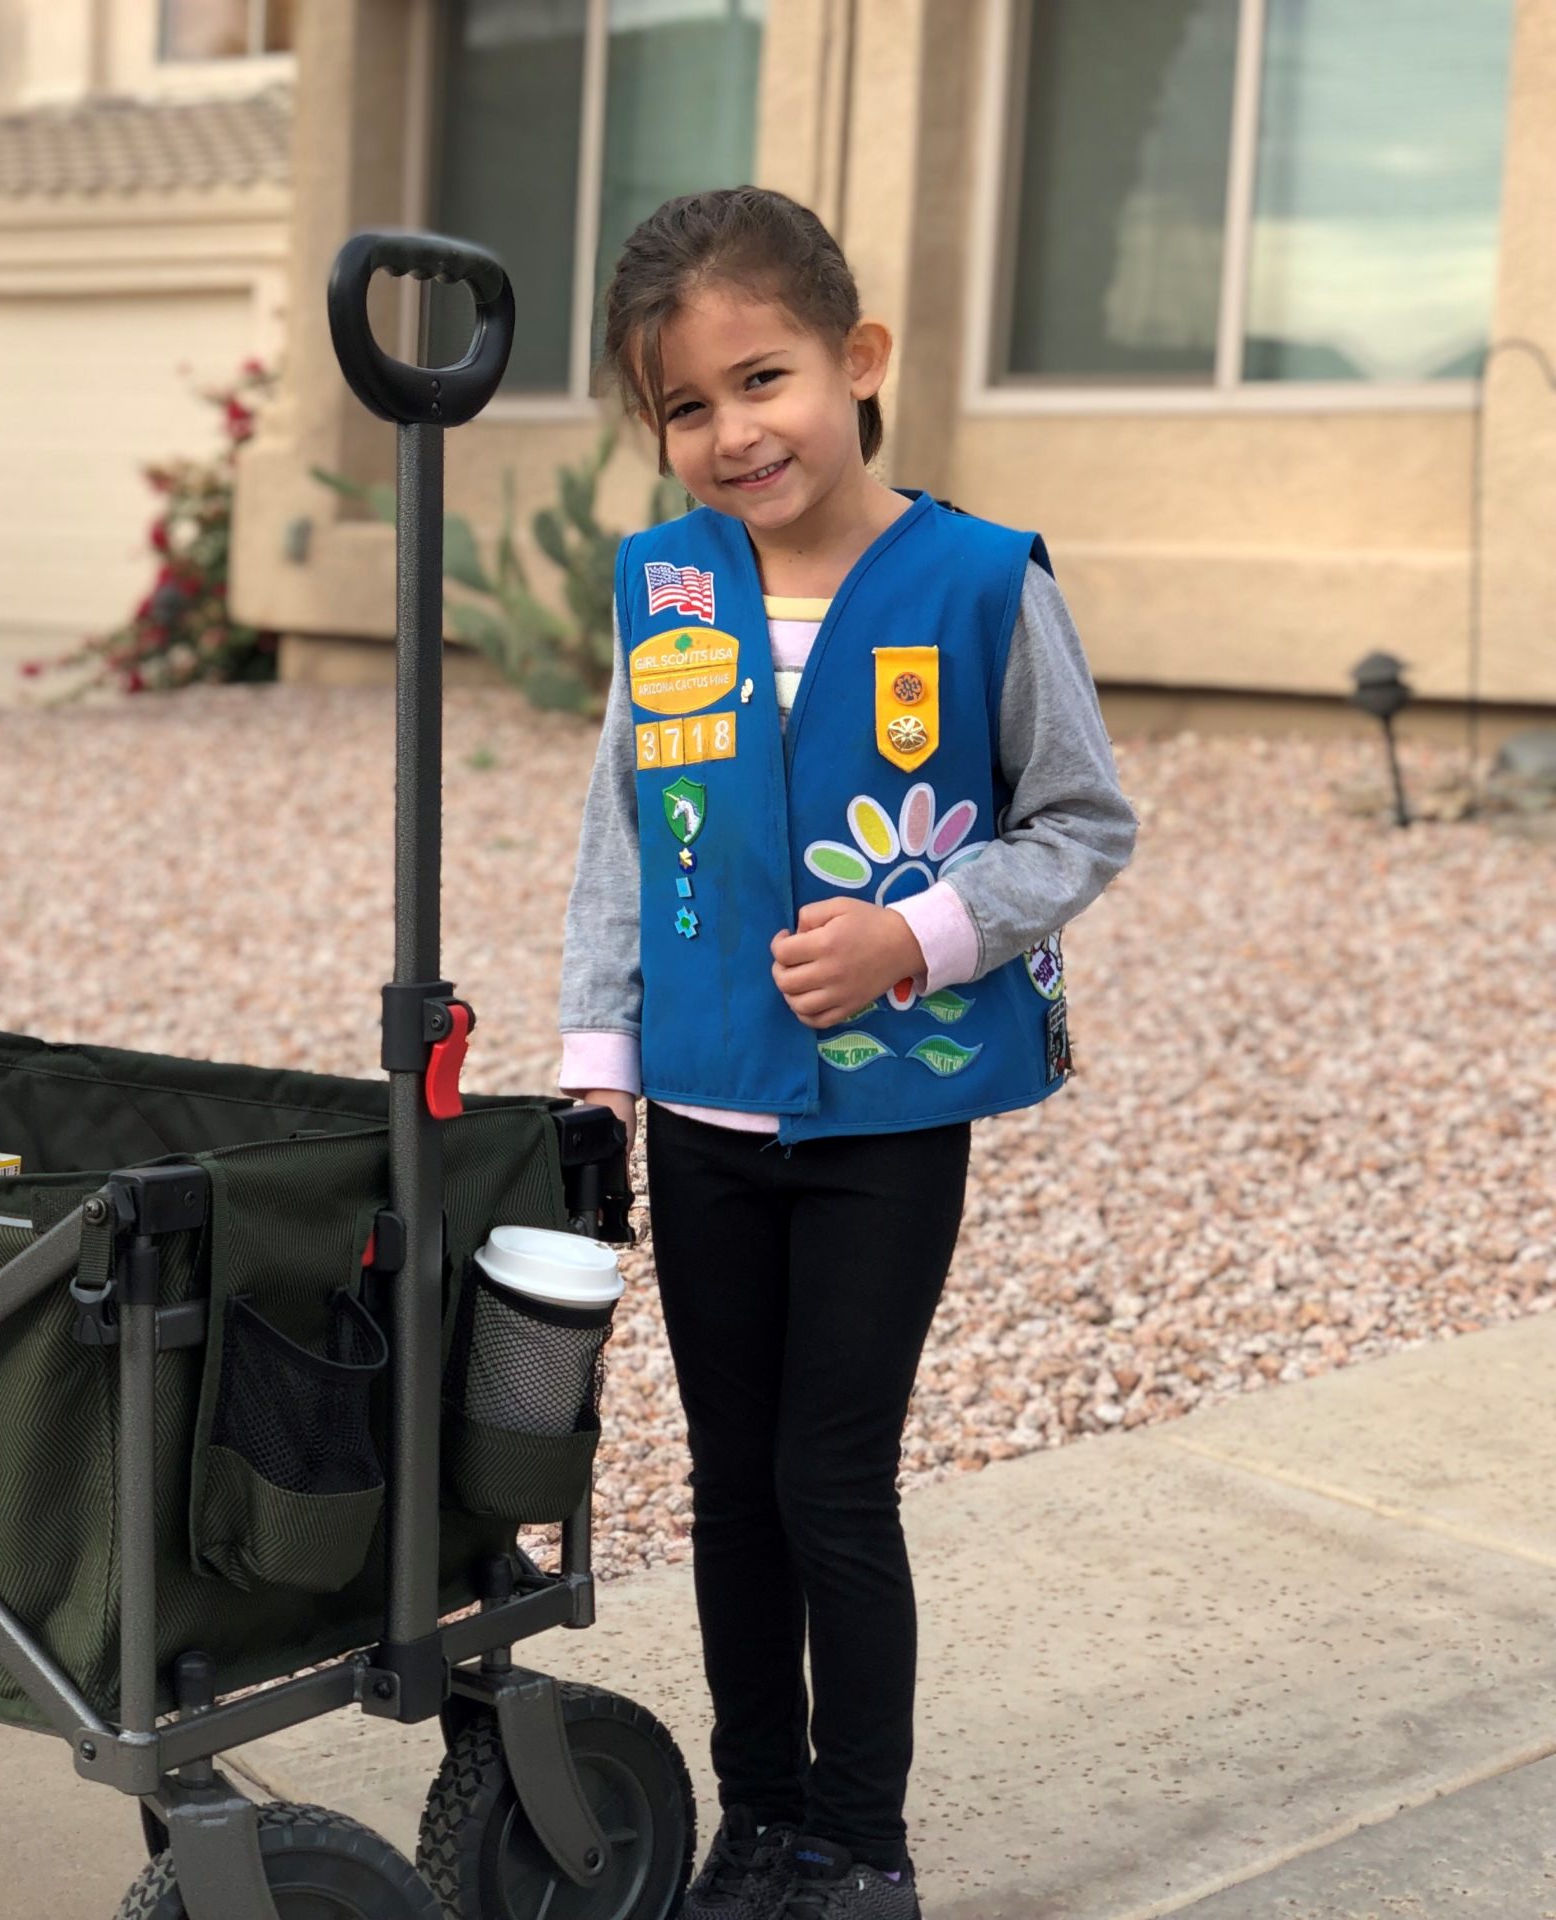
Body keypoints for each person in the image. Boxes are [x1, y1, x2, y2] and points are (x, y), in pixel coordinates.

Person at [557, 186, 1137, 1919]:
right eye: (685, 407)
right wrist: (600, 1058)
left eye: (764, 379)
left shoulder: (979, 583)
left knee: (832, 1479)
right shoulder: (665, 587)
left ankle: (864, 1844)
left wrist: (922, 931)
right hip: (705, 1111)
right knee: (729, 1484)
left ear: (857, 359)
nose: (734, 433)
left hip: (889, 1122)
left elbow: (1081, 822)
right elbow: (620, 827)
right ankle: (761, 1818)